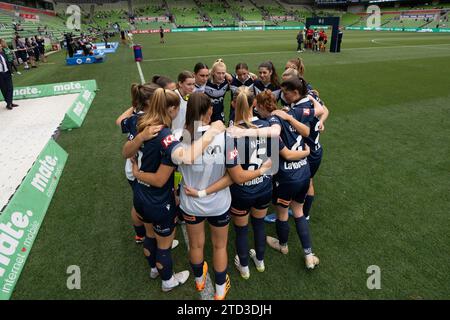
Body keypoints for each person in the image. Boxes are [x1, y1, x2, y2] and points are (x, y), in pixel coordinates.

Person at [129, 88, 226, 292]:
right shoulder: (169, 137)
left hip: (141, 195)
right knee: (164, 243)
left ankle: (156, 270)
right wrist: (212, 132)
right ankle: (167, 281)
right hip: (162, 199)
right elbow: (183, 161)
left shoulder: (144, 126)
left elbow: (125, 151)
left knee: (150, 236)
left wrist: (137, 167)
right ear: (172, 109)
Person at [180, 92, 272, 298]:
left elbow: (177, 171)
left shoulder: (178, 136)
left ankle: (199, 281)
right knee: (219, 246)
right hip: (218, 203)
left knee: (196, 244)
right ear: (210, 110)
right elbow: (233, 176)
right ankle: (220, 290)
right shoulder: (226, 137)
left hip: (191, 202)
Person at [0, 44, 18, 110]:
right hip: (0, 75)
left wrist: (11, 71)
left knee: (10, 88)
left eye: (1, 46)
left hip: (7, 73)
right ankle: (9, 103)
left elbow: (7, 62)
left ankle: (9, 103)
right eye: (0, 47)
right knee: (4, 89)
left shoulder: (3, 53)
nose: (1, 47)